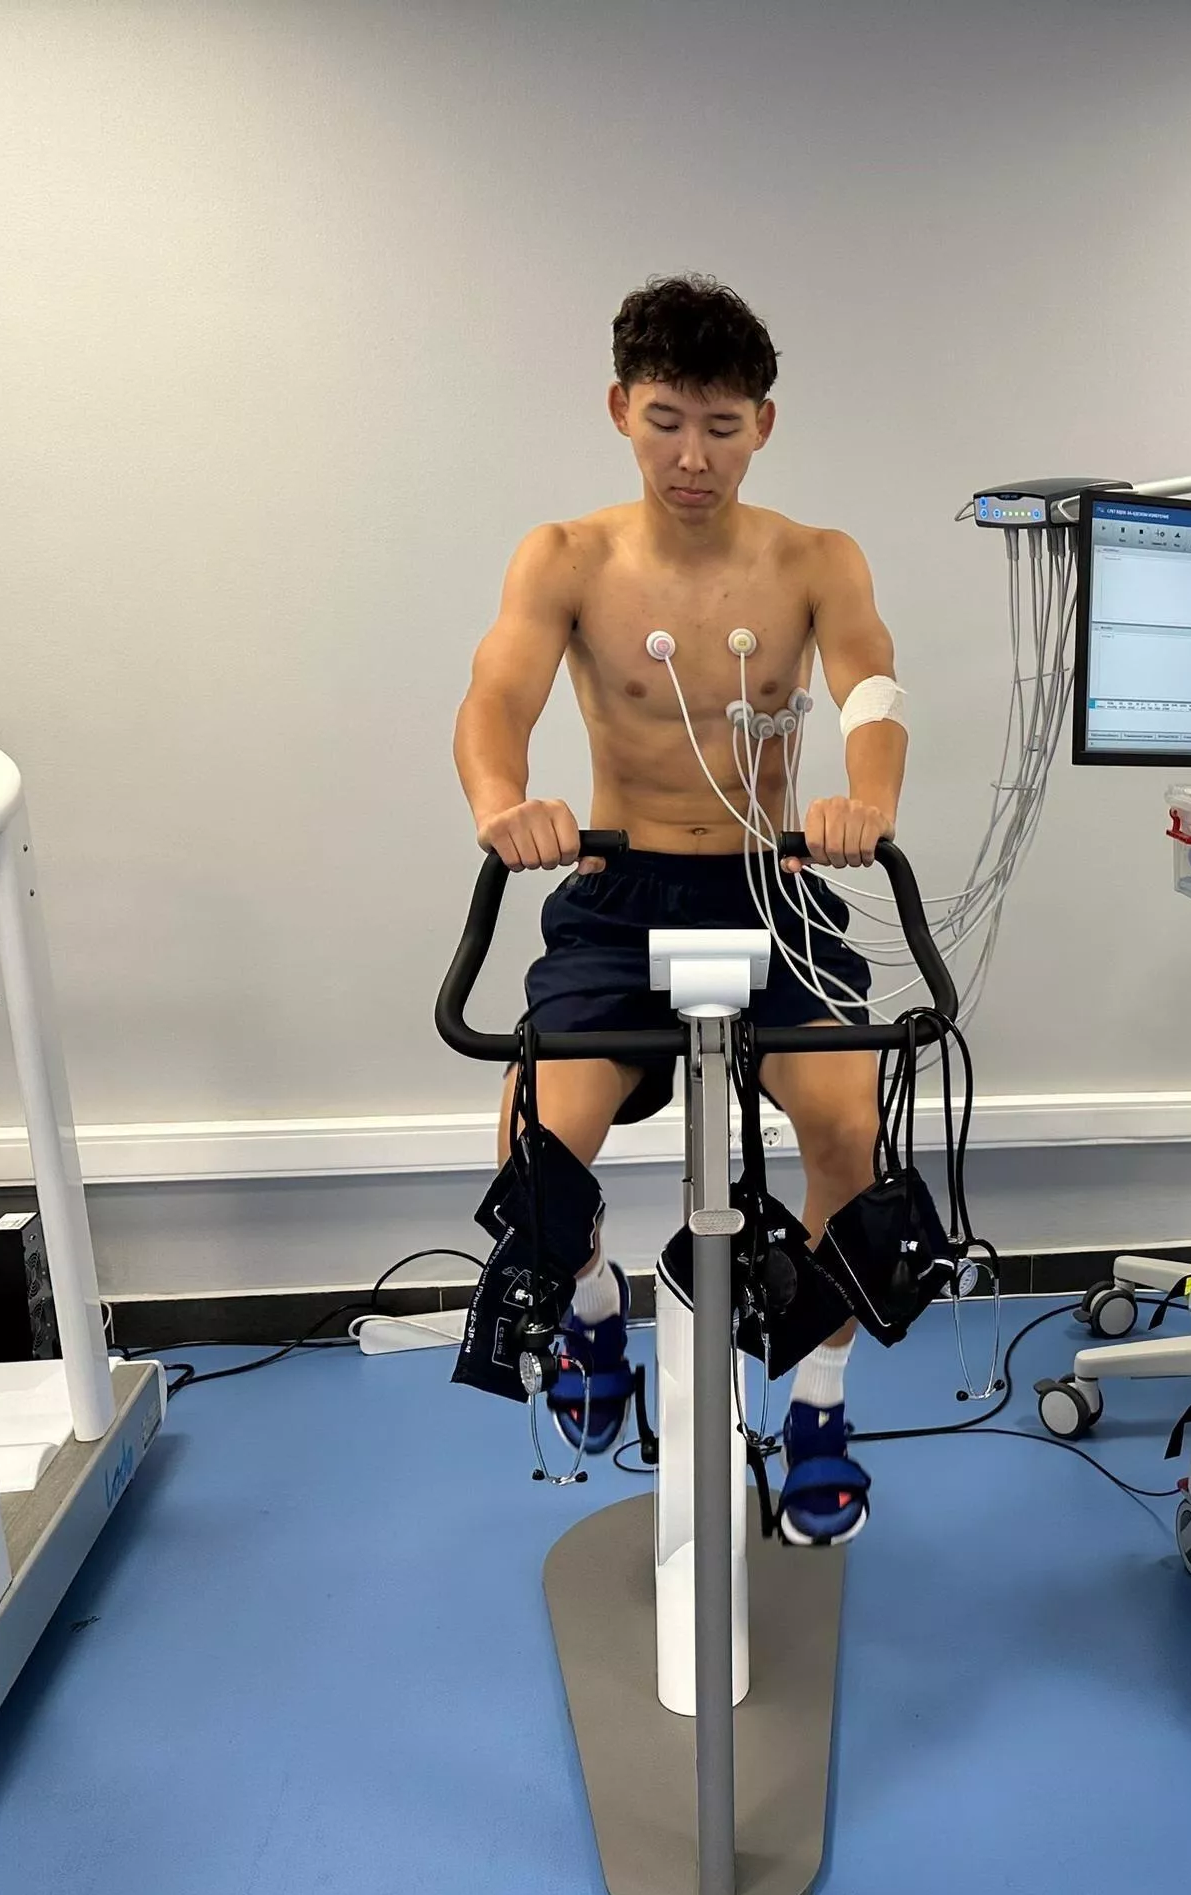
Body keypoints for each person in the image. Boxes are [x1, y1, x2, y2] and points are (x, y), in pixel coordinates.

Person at [453, 274, 907, 1544]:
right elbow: (496, 696)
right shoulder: (568, 557)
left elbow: (873, 689)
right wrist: (503, 803)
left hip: (773, 884)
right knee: (537, 1145)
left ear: (763, 424)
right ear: (621, 410)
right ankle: (595, 1301)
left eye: (719, 425)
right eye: (664, 421)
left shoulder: (817, 559)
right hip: (622, 890)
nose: (691, 456)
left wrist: (866, 801)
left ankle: (817, 1397)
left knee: (848, 1130)